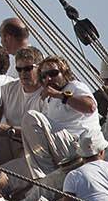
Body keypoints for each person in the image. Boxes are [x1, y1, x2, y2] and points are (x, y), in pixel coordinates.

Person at [18, 55, 101, 185]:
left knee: (31, 117)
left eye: (53, 73)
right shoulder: (50, 101)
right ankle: (46, 179)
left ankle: (45, 179)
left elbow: (90, 107)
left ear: (65, 73)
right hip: (62, 147)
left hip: (79, 145)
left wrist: (59, 95)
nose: (48, 79)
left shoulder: (74, 86)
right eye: (44, 76)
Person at [0, 45, 44, 161]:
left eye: (28, 69)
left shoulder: (46, 95)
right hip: (10, 142)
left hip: (36, 146)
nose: (22, 73)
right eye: (19, 69)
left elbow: (44, 133)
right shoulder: (8, 89)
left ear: (39, 68)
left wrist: (10, 130)